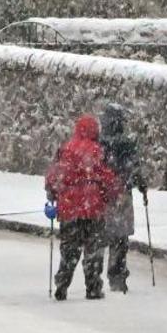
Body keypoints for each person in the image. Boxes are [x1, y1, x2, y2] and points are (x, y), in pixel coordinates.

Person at [45, 114, 121, 300]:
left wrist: (52, 193)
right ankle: (93, 287)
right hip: (93, 209)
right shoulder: (98, 151)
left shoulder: (65, 150)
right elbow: (107, 178)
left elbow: (54, 177)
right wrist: (111, 195)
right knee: (93, 251)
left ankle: (62, 283)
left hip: (69, 209)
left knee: (69, 250)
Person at [99, 103, 147, 292]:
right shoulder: (127, 145)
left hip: (102, 195)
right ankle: (117, 274)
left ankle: (94, 273)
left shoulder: (99, 143)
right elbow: (134, 169)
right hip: (122, 195)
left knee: (101, 234)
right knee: (120, 237)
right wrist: (141, 185)